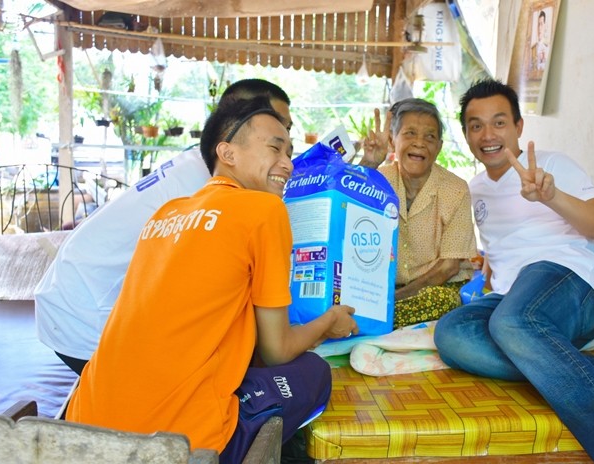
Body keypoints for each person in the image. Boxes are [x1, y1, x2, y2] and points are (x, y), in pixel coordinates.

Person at [66, 96, 359, 463]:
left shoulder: (166, 214)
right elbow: (277, 349)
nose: (287, 163)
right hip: (178, 445)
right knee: (313, 370)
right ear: (228, 153)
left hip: (82, 427)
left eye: (290, 151)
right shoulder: (264, 209)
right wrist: (330, 320)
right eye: (275, 147)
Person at [434, 78, 594, 463]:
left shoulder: (552, 165)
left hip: (573, 285)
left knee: (512, 322)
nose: (488, 134)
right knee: (453, 334)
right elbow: (501, 254)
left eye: (499, 122)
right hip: (514, 300)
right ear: (467, 135)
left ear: (519, 127)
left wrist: (551, 196)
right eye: (476, 125)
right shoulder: (476, 188)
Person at [34, 79, 293, 375]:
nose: (283, 139)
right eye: (275, 135)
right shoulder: (214, 189)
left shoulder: (203, 165)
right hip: (86, 311)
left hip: (72, 291)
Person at [359, 98, 477, 329]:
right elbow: (343, 210)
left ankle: (366, 321)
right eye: (410, 133)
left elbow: (448, 268)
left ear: (439, 147)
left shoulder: (456, 189)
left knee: (443, 302)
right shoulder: (377, 179)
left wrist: (393, 300)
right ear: (393, 141)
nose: (420, 143)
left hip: (435, 287)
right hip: (381, 286)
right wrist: (369, 164)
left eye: (430, 136)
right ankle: (371, 318)